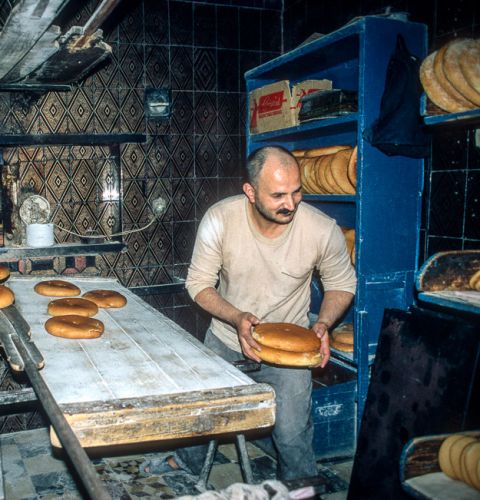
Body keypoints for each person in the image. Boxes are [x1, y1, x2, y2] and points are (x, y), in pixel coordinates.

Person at [144, 145, 356, 481]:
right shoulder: (221, 219)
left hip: (289, 352)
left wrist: (325, 324)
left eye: (296, 191)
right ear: (250, 191)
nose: (291, 203)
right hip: (227, 337)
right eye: (278, 195)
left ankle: (301, 484)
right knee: (201, 415)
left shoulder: (321, 229)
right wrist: (236, 317)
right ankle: (188, 463)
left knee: (291, 431)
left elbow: (342, 284)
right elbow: (198, 284)